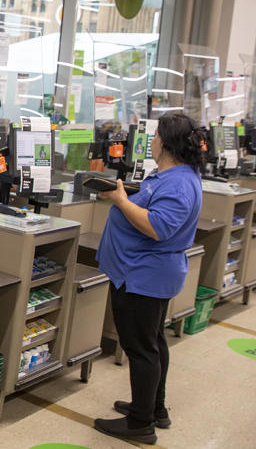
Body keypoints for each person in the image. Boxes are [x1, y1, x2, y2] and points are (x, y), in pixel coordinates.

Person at [93, 113, 204, 445]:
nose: (151, 141)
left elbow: (158, 226)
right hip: (147, 273)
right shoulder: (177, 175)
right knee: (153, 343)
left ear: (166, 144)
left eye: (155, 136)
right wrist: (125, 194)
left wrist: (122, 201)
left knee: (141, 349)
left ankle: (141, 423)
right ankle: (153, 407)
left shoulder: (179, 182)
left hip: (142, 275)